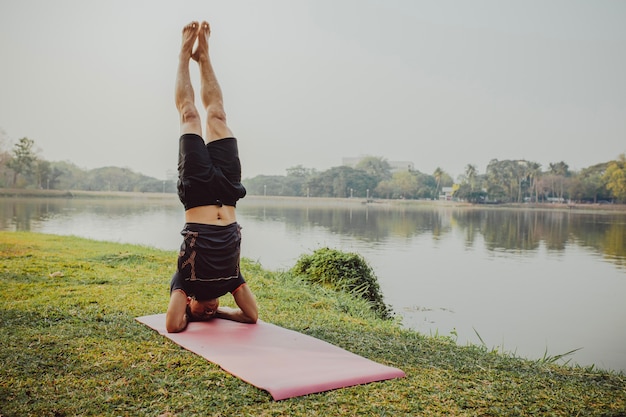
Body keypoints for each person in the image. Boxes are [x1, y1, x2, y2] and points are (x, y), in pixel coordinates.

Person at [165, 21, 258, 333]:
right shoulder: (230, 281)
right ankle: (204, 56)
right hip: (229, 192)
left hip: (197, 192)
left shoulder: (185, 280)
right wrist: (220, 314)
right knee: (218, 115)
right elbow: (251, 316)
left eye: (201, 314)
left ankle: (184, 56)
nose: (208, 312)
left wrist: (191, 313)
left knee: (190, 115)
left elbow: (173, 325)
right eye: (210, 315)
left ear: (189, 302)